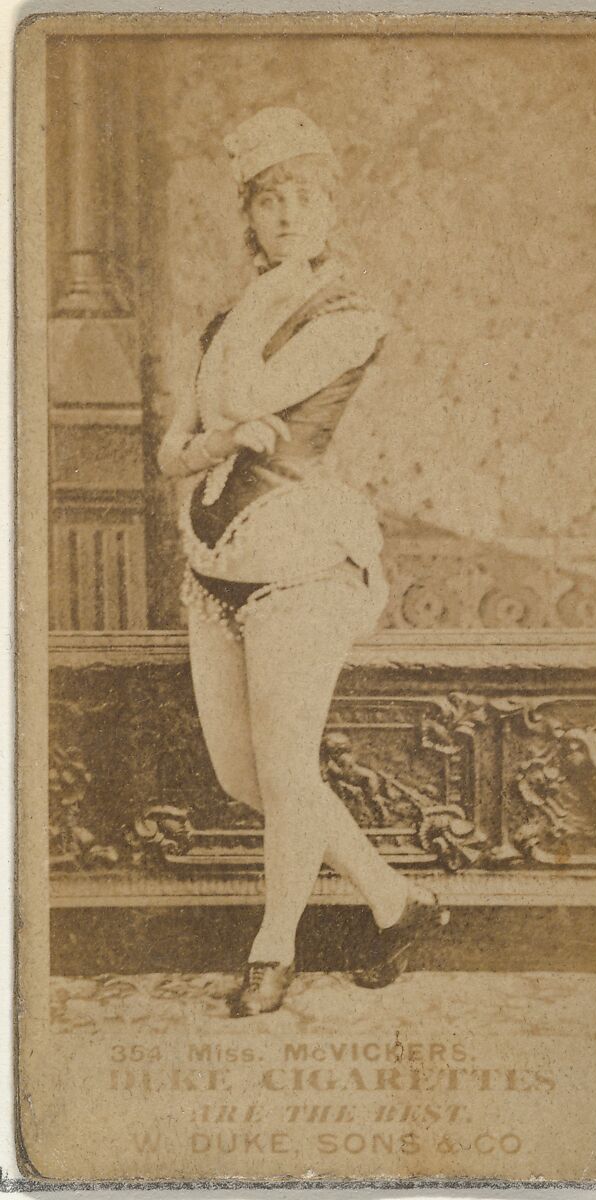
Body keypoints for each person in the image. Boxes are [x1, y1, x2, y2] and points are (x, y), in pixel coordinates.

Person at [158, 107, 447, 1017]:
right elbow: (173, 450)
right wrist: (218, 441)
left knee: (286, 772)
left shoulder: (349, 318)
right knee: (243, 777)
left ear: (329, 212)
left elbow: (244, 395)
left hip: (299, 560)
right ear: (249, 215)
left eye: (304, 198)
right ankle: (397, 902)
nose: (287, 214)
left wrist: (238, 380)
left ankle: (271, 949)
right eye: (269, 200)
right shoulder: (227, 318)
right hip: (214, 570)